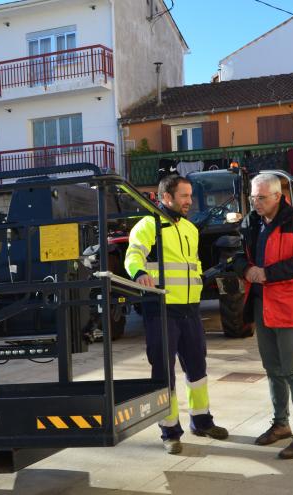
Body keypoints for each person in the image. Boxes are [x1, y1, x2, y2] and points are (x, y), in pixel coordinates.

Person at [124, 174, 228, 455]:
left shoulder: (190, 229)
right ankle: (170, 432)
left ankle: (202, 421)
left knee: (198, 370)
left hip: (190, 311)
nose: (189, 201)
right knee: (163, 374)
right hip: (161, 311)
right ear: (166, 197)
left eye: (190, 195)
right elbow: (133, 255)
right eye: (184, 196)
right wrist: (140, 272)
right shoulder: (148, 225)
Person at [231, 173, 293, 459]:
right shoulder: (251, 222)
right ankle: (280, 424)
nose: (255, 203)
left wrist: (267, 273)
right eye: (252, 198)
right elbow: (236, 254)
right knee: (272, 368)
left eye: (261, 198)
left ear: (277, 196)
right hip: (262, 304)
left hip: (290, 304)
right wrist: (246, 269)